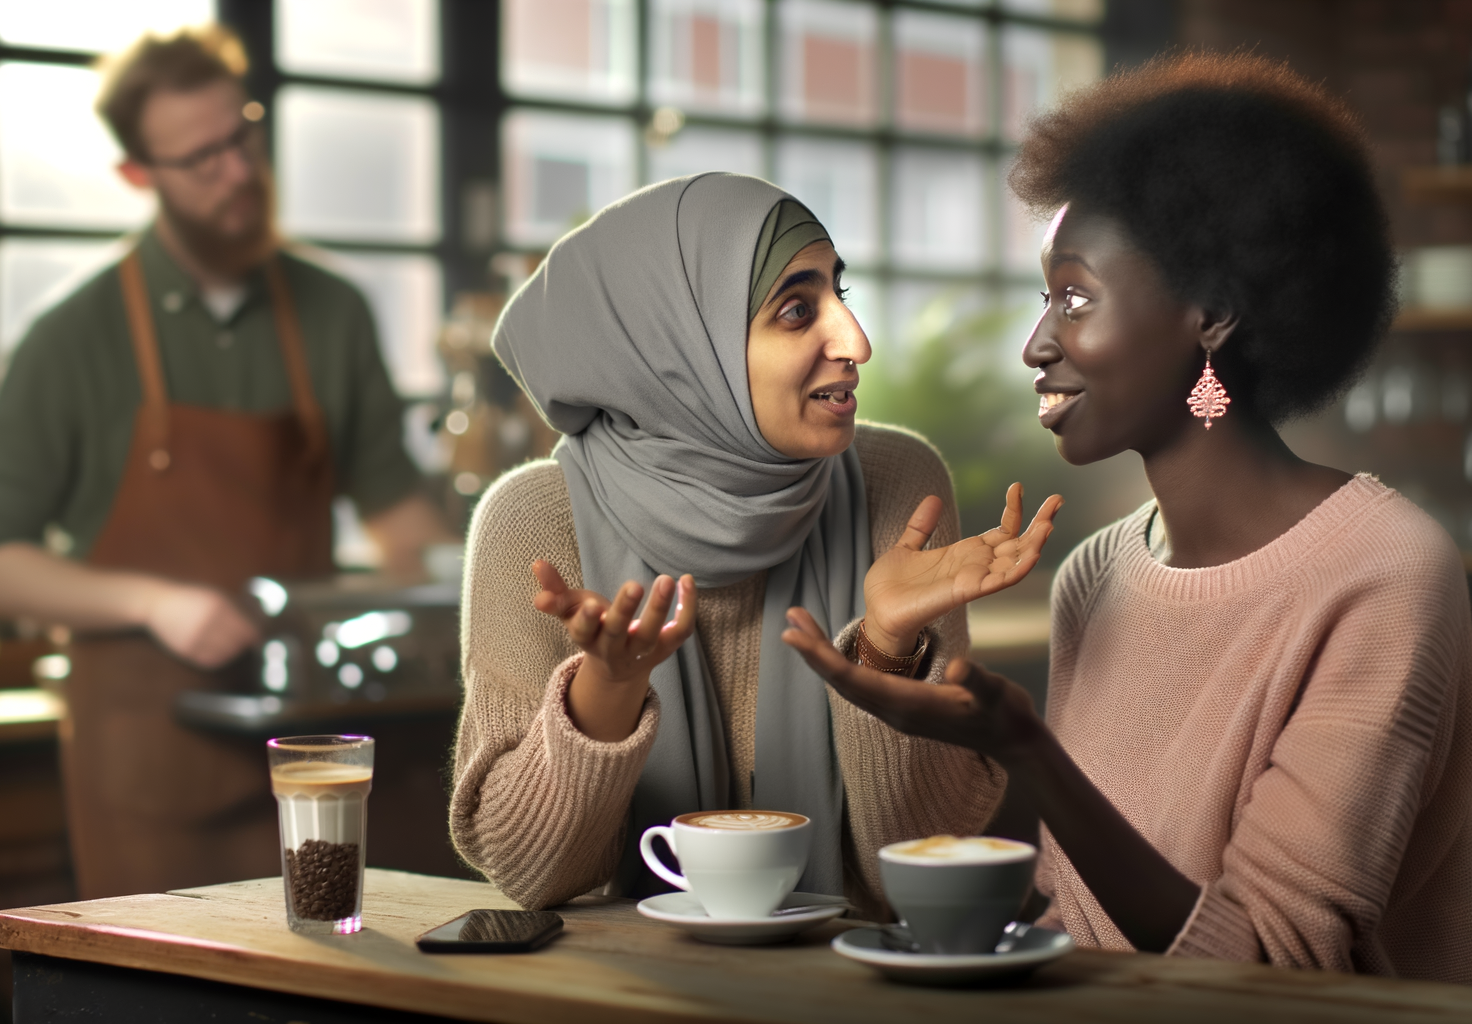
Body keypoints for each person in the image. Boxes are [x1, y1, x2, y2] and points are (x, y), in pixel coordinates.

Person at [781, 53, 1472, 984]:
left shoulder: (1385, 572)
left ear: (1214, 314)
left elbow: (1270, 966)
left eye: (1074, 296)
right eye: (1044, 298)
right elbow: (1060, 905)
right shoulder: (1098, 576)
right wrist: (887, 650)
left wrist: (1029, 752)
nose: (1037, 345)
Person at [449, 172, 1060, 915]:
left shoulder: (895, 483)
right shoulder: (536, 521)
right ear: (678, 346)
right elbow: (527, 872)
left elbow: (923, 851)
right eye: (798, 311)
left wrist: (886, 647)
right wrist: (606, 692)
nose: (856, 341)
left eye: (842, 294)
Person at [0, 25, 450, 899]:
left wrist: (468, 603)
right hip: (152, 760)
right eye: (201, 158)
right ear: (138, 176)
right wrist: (153, 602)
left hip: (313, 750)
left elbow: (400, 522)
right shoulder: (71, 339)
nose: (238, 171)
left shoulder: (332, 311)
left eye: (243, 135)